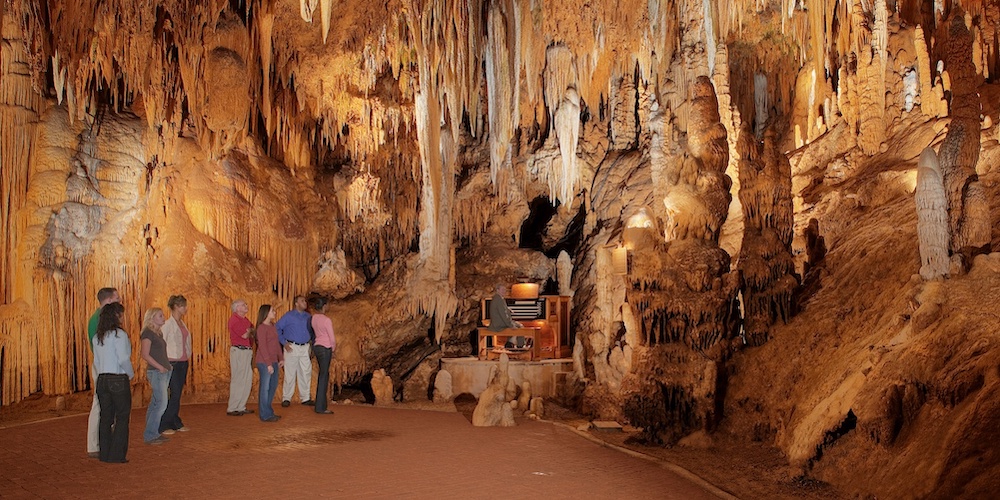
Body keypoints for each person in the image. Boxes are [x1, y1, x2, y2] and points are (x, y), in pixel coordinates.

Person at [92, 302, 133, 463]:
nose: (123, 317)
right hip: (117, 378)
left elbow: (96, 361)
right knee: (122, 417)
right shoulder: (119, 335)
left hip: (102, 379)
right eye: (121, 314)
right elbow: (123, 358)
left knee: (105, 417)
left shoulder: (97, 337)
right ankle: (117, 455)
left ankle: (104, 453)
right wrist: (130, 374)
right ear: (116, 316)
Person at [86, 287, 120, 458]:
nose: (119, 301)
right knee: (100, 403)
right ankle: (94, 444)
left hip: (106, 364)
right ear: (108, 300)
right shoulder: (99, 320)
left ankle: (104, 440)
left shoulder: (98, 318)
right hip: (103, 365)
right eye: (116, 298)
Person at [159, 295, 192, 435]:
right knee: (174, 393)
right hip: (172, 362)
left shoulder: (182, 324)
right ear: (176, 307)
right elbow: (161, 344)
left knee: (177, 394)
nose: (185, 308)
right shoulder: (167, 325)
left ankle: (174, 421)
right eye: (183, 306)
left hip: (183, 361)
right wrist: (163, 363)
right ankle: (164, 424)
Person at [139, 308, 171, 445]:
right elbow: (145, 354)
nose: (163, 317)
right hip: (157, 372)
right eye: (160, 315)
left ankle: (152, 432)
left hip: (163, 371)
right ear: (151, 318)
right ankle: (150, 435)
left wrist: (168, 365)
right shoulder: (147, 333)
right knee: (161, 404)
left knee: (155, 403)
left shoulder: (158, 333)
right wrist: (160, 367)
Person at [276, 295, 313, 407]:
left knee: (306, 372)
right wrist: (283, 342)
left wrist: (311, 344)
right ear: (296, 303)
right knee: (290, 372)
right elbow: (277, 327)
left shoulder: (308, 316)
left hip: (305, 346)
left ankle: (305, 397)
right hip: (292, 346)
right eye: (302, 301)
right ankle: (286, 398)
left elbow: (312, 331)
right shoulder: (289, 316)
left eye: (305, 301)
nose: (305, 302)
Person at [254, 304, 283, 422]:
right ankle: (264, 414)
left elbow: (276, 344)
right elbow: (262, 346)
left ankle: (269, 410)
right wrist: (268, 363)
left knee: (272, 386)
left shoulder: (272, 326)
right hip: (264, 361)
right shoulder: (261, 328)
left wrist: (281, 358)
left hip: (274, 361)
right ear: (266, 313)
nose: (274, 312)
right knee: (265, 387)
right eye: (272, 311)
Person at [227, 299, 255, 416]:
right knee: (238, 379)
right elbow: (245, 334)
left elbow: (252, 331)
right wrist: (250, 331)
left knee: (247, 379)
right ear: (237, 308)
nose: (246, 306)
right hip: (239, 350)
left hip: (246, 351)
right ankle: (233, 407)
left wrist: (250, 331)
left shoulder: (245, 320)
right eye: (243, 305)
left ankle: (241, 405)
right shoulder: (234, 319)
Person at [311, 297, 336, 414]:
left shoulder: (314, 318)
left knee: (323, 374)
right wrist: (333, 348)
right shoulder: (327, 320)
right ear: (324, 306)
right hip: (326, 348)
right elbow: (332, 337)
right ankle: (320, 407)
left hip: (317, 347)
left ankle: (321, 405)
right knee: (324, 376)